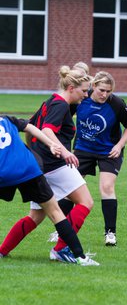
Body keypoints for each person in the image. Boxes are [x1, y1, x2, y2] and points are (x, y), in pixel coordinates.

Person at [0, 66, 99, 266]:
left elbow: (31, 126)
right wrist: (64, 151)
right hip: (55, 165)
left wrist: (36, 153)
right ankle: (62, 249)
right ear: (71, 88)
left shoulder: (50, 101)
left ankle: (2, 251)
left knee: (35, 217)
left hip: (39, 166)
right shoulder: (61, 105)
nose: (86, 95)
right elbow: (47, 129)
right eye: (84, 90)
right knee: (86, 202)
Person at [53, 71, 127, 247]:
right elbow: (62, 116)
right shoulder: (81, 100)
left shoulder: (117, 103)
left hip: (109, 151)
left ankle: (110, 233)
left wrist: (119, 146)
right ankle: (61, 228)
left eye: (108, 91)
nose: (104, 94)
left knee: (106, 186)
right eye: (101, 90)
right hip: (83, 150)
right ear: (93, 86)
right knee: (71, 188)